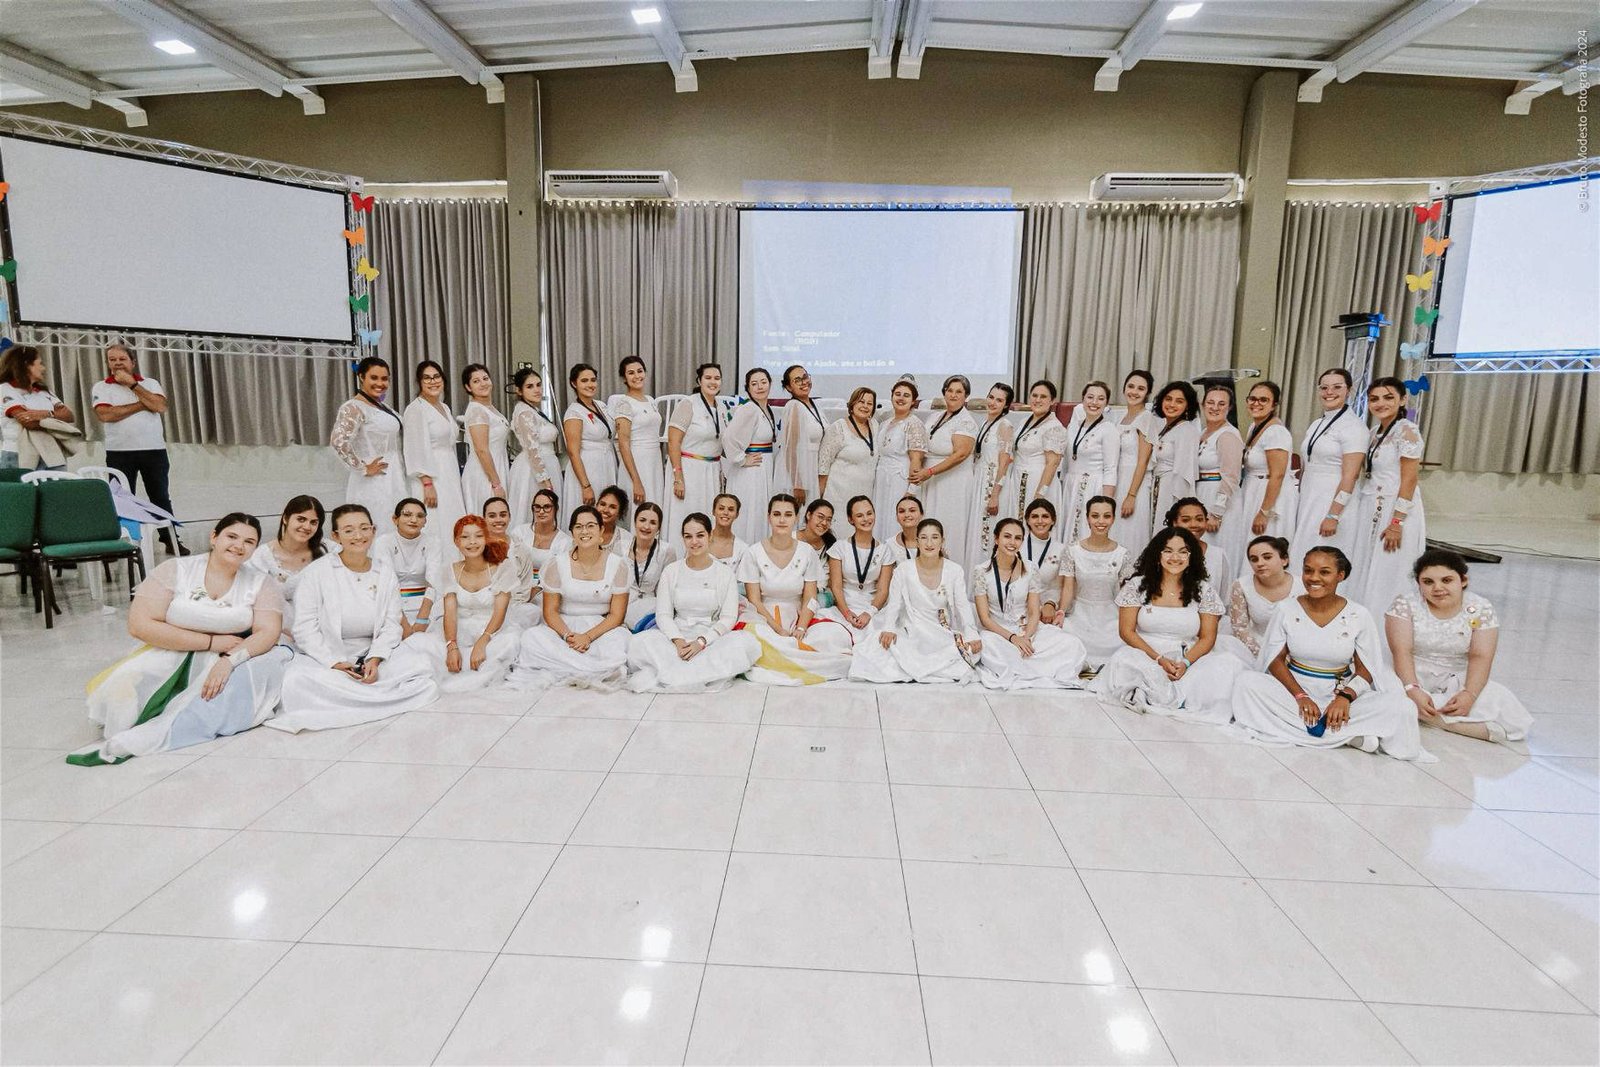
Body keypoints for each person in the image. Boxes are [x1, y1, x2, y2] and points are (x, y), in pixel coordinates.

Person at [71, 513, 291, 765]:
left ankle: (158, 733)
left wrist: (228, 660)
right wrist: (209, 643)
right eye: (232, 536)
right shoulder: (177, 570)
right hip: (170, 648)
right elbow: (139, 625)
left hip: (230, 653)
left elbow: (267, 632)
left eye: (249, 542)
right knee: (124, 694)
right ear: (214, 537)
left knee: (210, 704)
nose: (239, 546)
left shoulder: (260, 582)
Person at [1232, 546, 1426, 759]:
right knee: (1246, 683)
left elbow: (1366, 668)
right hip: (1293, 691)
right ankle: (1348, 736)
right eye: (1308, 571)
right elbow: (1275, 659)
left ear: (1340, 575)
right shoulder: (1286, 608)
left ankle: (1306, 729)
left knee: (1402, 706)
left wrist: (1344, 699)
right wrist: (1301, 696)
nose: (1314, 578)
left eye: (1324, 572)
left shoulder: (1359, 614)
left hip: (1339, 691)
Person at [273, 504, 438, 733]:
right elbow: (304, 629)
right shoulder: (317, 572)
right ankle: (374, 698)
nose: (358, 536)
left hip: (374, 651)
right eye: (349, 530)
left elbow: (392, 624)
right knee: (296, 680)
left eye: (364, 528)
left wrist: (375, 659)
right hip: (329, 653)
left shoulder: (384, 572)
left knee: (422, 670)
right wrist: (334, 662)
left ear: (373, 530)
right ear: (336, 536)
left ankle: (354, 697)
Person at [1093, 526, 1241, 723]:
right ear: (1157, 554)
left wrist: (1185, 664)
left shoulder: (1204, 590)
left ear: (1191, 557)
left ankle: (1174, 694)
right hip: (1146, 655)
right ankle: (1151, 691)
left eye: (1183, 552)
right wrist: (1159, 659)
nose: (1175, 557)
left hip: (1187, 657)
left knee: (1228, 664)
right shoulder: (1137, 586)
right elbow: (1127, 632)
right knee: (1125, 659)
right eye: (1168, 551)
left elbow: (1207, 638)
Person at [1386, 549, 1531, 743]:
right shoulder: (1405, 604)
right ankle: (1444, 722)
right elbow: (1402, 651)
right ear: (1418, 584)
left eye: (1446, 580)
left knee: (1508, 713)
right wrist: (1412, 690)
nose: (1438, 588)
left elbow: (1480, 656)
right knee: (1388, 697)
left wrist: (1469, 695)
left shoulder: (1481, 607)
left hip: (1456, 677)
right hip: (1408, 674)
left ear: (1463, 581)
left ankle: (1424, 716)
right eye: (1428, 582)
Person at [625, 512, 760, 693]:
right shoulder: (671, 571)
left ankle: (676, 674)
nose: (694, 542)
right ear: (683, 539)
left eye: (700, 535)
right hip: (677, 636)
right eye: (688, 536)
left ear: (710, 536)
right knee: (639, 642)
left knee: (746, 643)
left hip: (710, 638)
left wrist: (702, 642)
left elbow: (728, 618)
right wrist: (678, 640)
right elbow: (663, 614)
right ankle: (695, 673)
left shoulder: (724, 573)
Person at [510, 504, 632, 688]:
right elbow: (550, 611)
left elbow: (617, 616)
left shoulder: (618, 565)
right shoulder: (556, 564)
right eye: (578, 527)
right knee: (531, 638)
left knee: (621, 642)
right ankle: (593, 670)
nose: (585, 531)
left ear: (601, 530)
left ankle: (570, 667)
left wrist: (588, 637)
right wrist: (568, 636)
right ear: (572, 533)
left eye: (590, 526)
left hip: (601, 628)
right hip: (564, 627)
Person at [849, 517, 982, 685]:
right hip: (912, 628)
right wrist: (889, 628)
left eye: (934, 537)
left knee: (972, 651)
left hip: (941, 630)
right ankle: (927, 668)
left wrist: (971, 633)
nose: (929, 543)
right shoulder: (904, 569)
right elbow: (895, 603)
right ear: (917, 542)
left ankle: (922, 668)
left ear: (942, 541)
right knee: (880, 646)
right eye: (924, 538)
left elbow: (962, 605)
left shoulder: (954, 570)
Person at [737, 493, 850, 684]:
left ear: (796, 518)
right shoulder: (753, 552)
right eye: (777, 514)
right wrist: (778, 630)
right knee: (751, 639)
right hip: (764, 617)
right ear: (769, 517)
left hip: (799, 615)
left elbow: (810, 598)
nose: (782, 520)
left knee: (835, 636)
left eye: (788, 515)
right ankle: (795, 659)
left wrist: (801, 627)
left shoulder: (807, 552)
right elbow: (754, 600)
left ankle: (786, 657)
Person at [400, 515, 518, 692]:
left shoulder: (503, 567)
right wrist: (451, 646)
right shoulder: (450, 570)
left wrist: (482, 642)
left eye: (478, 536)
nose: (472, 542)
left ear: (486, 538)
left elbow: (499, 612)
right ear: (456, 541)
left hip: (492, 631)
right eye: (465, 537)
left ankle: (476, 671)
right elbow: (450, 613)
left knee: (510, 642)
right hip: (460, 630)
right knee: (417, 643)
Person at [973, 517, 1088, 689]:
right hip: (998, 633)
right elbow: (985, 619)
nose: (1012, 542)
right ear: (996, 539)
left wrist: (1026, 638)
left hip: (1028, 629)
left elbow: (1034, 612)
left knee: (1072, 644)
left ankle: (1026, 668)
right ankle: (1033, 669)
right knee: (987, 643)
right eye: (1007, 536)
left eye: (1017, 538)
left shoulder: (1030, 568)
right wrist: (1013, 639)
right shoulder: (981, 571)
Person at [92, 342, 181, 552]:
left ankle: (170, 540)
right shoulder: (101, 387)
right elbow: (106, 415)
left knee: (160, 496)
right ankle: (124, 541)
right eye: (112, 360)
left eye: (122, 359)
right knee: (121, 498)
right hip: (119, 452)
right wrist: (143, 404)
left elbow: (160, 406)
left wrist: (133, 386)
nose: (117, 363)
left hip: (153, 451)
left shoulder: (150, 383)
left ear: (132, 362)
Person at [1351, 377, 1426, 616]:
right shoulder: (1375, 432)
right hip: (1372, 504)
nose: (1380, 403)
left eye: (1388, 397)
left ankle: (1389, 621)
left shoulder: (1407, 430)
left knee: (1390, 567)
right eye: (1374, 399)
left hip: (1396, 507)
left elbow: (1410, 479)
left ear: (1402, 400)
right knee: (1368, 564)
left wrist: (1396, 522)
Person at [1219, 381, 1297, 586]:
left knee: (1264, 544)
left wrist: (1264, 512)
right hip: (1253, 489)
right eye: (1252, 399)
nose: (1257, 403)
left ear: (1274, 404)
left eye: (1264, 400)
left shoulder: (1276, 432)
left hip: (1269, 494)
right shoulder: (1255, 427)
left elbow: (1277, 474)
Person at [1291, 367, 1367, 567]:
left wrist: (1333, 514)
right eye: (1324, 388)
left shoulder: (1354, 427)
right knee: (1303, 550)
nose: (1329, 392)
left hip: (1332, 499)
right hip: (1310, 495)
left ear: (1349, 390)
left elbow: (1350, 476)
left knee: (1325, 555)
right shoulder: (1317, 423)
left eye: (1337, 387)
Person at [1122, 380, 1200, 549]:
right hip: (1157, 487)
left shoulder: (1187, 430)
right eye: (1168, 399)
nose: (1172, 404)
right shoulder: (1165, 427)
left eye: (1179, 401)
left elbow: (1184, 473)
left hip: (1171, 491)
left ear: (1187, 406)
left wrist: (1178, 508)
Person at [815, 495, 899, 648]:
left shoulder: (885, 551)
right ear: (850, 519)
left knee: (880, 644)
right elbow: (836, 587)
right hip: (843, 606)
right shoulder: (839, 547)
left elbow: (883, 590)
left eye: (869, 513)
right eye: (859, 515)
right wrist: (847, 613)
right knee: (828, 638)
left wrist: (869, 613)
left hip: (872, 608)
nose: (866, 519)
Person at [912, 375, 979, 568]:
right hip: (931, 480)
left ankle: (950, 571)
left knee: (949, 526)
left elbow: (960, 454)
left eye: (959, 392)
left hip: (953, 482)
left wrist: (930, 471)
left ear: (966, 396)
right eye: (950, 390)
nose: (953, 395)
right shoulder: (935, 416)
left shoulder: (966, 422)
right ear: (944, 392)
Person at [330, 357, 406, 523]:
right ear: (361, 377)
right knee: (377, 521)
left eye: (384, 379)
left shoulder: (382, 406)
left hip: (393, 476)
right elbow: (338, 442)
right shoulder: (353, 407)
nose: (380, 383)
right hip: (374, 480)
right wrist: (363, 468)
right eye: (374, 378)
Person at [1058, 496, 1128, 671]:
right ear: (1087, 518)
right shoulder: (1072, 551)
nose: (1101, 521)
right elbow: (1068, 588)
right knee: (1062, 637)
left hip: (1110, 618)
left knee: (1124, 644)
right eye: (1095, 516)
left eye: (1106, 516)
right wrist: (1061, 611)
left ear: (1113, 519)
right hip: (1080, 616)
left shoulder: (1122, 554)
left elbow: (1126, 593)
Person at [401, 360, 466, 541]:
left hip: (449, 470)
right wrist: (427, 483)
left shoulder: (444, 407)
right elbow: (414, 448)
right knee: (436, 522)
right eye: (427, 378)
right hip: (430, 475)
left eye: (436, 377)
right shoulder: (416, 409)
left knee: (452, 518)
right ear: (419, 382)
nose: (433, 381)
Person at [247, 495, 327, 636]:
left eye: (313, 522)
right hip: (278, 632)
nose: (307, 527)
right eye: (301, 519)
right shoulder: (262, 556)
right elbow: (251, 600)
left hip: (323, 628)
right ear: (285, 518)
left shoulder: (328, 551)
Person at [665, 363, 725, 540]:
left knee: (707, 518)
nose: (713, 382)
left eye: (717, 378)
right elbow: (673, 442)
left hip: (712, 471)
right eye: (708, 378)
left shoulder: (722, 407)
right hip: (689, 469)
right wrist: (678, 477)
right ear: (699, 381)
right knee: (686, 515)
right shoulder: (688, 404)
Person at [723, 367, 780, 542]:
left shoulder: (766, 409)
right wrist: (741, 459)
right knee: (750, 512)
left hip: (763, 469)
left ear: (770, 384)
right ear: (748, 388)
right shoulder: (749, 409)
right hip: (750, 473)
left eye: (763, 382)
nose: (760, 387)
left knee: (759, 511)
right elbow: (728, 438)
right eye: (754, 384)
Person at [1225, 535, 1302, 663]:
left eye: (1267, 557)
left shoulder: (1302, 586)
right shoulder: (1242, 585)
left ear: (1284, 560)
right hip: (1255, 648)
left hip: (1295, 650)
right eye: (1254, 559)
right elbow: (1240, 628)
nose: (1260, 563)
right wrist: (1265, 656)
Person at [1060, 381, 1120, 546]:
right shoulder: (1073, 426)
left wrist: (1106, 503)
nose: (1094, 402)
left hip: (1093, 487)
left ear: (1106, 403)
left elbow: (1110, 468)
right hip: (1071, 486)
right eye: (1090, 397)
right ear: (1083, 399)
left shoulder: (1108, 429)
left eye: (1100, 399)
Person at [0, 345, 77, 472]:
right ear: (26, 365)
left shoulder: (44, 391)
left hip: (50, 453)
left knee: (59, 485)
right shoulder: (5, 389)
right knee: (20, 486)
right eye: (40, 364)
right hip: (18, 454)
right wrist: (56, 421)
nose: (44, 368)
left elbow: (69, 416)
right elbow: (28, 422)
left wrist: (46, 414)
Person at [817, 387, 880, 537]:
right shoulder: (838, 427)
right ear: (852, 404)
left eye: (869, 403)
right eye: (861, 402)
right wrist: (819, 498)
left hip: (865, 493)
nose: (865, 406)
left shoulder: (875, 425)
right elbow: (823, 465)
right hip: (838, 494)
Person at [371, 497, 436, 636]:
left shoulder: (433, 542)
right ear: (395, 519)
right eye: (407, 515)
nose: (414, 520)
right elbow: (387, 584)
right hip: (391, 607)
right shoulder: (383, 542)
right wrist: (404, 624)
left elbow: (434, 583)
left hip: (427, 607)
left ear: (425, 521)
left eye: (420, 516)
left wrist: (422, 620)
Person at [874, 376, 930, 539]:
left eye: (906, 395)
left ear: (913, 401)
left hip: (899, 480)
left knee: (894, 522)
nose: (901, 398)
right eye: (897, 394)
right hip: (882, 479)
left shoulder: (914, 424)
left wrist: (911, 491)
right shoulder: (885, 422)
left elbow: (916, 460)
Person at [560, 363, 616, 518]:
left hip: (606, 464)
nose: (590, 384)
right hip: (587, 467)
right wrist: (586, 486)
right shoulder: (574, 412)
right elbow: (573, 452)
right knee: (588, 512)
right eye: (584, 381)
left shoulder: (600, 406)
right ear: (574, 384)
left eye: (593, 380)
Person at [509, 487, 571, 627]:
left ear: (556, 509)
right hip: (517, 587)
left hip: (545, 592)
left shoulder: (565, 542)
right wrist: (523, 590)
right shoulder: (519, 532)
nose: (541, 511)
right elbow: (510, 564)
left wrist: (536, 589)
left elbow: (561, 575)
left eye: (547, 507)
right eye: (537, 507)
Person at [1108, 370, 1157, 547]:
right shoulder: (1120, 417)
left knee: (1130, 531)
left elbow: (1143, 461)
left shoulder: (1146, 418)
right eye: (1131, 386)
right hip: (1118, 479)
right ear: (1124, 389)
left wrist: (1131, 495)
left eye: (1140, 389)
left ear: (1147, 393)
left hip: (1135, 483)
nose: (1134, 392)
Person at [507, 368, 560, 529]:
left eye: (538, 385)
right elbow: (533, 450)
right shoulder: (525, 412)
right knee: (535, 512)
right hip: (534, 471)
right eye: (530, 386)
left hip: (548, 463)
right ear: (519, 390)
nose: (536, 389)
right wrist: (545, 482)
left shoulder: (533, 410)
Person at [1005, 380, 1064, 518]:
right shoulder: (1024, 421)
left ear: (1052, 401)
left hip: (1038, 482)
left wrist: (1040, 495)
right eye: (1034, 395)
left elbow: (1052, 464)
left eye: (1043, 397)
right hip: (1018, 480)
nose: (1037, 400)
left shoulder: (1054, 427)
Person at [971, 383, 1017, 561]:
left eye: (999, 400)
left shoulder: (1005, 426)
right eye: (991, 397)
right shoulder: (986, 423)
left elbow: (1004, 464)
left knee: (988, 532)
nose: (993, 402)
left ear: (1006, 405)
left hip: (993, 483)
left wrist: (995, 495)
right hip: (981, 480)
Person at [1194, 384, 1242, 550]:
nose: (1215, 407)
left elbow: (1231, 476)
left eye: (1221, 404)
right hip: (1202, 493)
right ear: (1203, 405)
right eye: (1210, 402)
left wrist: (1217, 512)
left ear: (1229, 407)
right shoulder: (1203, 432)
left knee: (1215, 547)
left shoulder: (1228, 435)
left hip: (1218, 498)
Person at [482, 495, 540, 631]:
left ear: (509, 517)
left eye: (503, 515)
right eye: (492, 516)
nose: (498, 520)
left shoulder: (520, 549)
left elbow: (525, 587)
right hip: (482, 605)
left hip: (513, 606)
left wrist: (506, 607)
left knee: (533, 612)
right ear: (484, 519)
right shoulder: (475, 547)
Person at [612, 356, 662, 508]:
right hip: (636, 462)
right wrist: (636, 481)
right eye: (631, 373)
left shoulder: (651, 400)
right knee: (639, 507)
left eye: (640, 371)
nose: (637, 376)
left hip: (654, 460)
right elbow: (623, 444)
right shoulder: (624, 404)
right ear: (624, 378)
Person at [461, 363, 510, 516]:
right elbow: (481, 450)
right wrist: (496, 484)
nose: (483, 383)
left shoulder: (488, 408)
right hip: (484, 473)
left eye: (485, 378)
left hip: (497, 467)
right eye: (476, 381)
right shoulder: (477, 411)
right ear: (468, 387)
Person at [623, 501, 677, 631]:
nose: (646, 526)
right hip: (624, 603)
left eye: (653, 523)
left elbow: (667, 587)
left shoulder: (666, 550)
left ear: (658, 528)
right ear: (635, 522)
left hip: (651, 605)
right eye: (642, 520)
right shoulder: (622, 546)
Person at [780, 364, 828, 505]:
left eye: (805, 377)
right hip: (801, 471)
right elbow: (790, 449)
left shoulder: (815, 405)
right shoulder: (793, 406)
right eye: (797, 380)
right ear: (789, 387)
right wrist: (797, 483)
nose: (804, 382)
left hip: (815, 467)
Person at [1165, 497, 1233, 593]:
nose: (1194, 524)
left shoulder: (1218, 555)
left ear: (1206, 521)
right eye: (1186, 520)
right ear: (1175, 523)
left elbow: (1225, 596)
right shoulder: (1162, 553)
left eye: (1199, 519)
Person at [1020, 498, 1066, 626]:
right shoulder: (1016, 544)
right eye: (1035, 516)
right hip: (1017, 607)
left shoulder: (1061, 549)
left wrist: (1050, 604)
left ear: (1053, 520)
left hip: (1045, 612)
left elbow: (1058, 586)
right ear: (1027, 520)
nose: (1040, 521)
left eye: (1045, 516)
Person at [707, 492, 748, 567]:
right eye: (721, 508)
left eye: (731, 509)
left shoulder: (742, 549)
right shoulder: (699, 540)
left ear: (737, 514)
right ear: (713, 511)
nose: (726, 513)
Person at [595, 484, 634, 557]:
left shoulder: (627, 539)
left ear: (620, 513)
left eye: (612, 507)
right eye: (602, 504)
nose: (606, 510)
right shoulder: (584, 531)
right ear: (596, 506)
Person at [889, 494, 924, 560]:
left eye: (912, 510)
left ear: (921, 514)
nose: (907, 515)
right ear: (897, 517)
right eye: (901, 511)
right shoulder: (890, 545)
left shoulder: (932, 541)